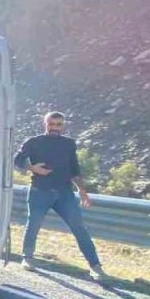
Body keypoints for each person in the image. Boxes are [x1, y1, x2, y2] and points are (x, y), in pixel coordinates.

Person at [14, 112, 106, 283]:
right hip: (39, 191)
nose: (55, 127)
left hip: (65, 194)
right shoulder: (33, 142)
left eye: (59, 124)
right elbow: (17, 161)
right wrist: (33, 168)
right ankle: (27, 258)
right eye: (52, 123)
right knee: (33, 226)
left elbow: (74, 168)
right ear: (45, 123)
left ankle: (95, 267)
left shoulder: (69, 144)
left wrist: (83, 192)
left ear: (63, 126)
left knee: (79, 228)